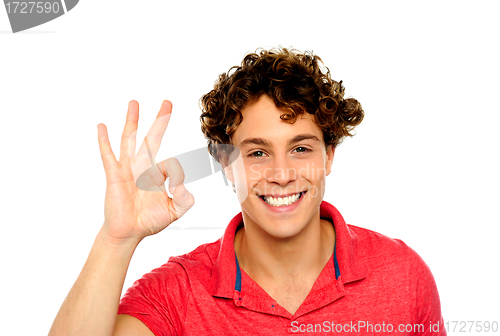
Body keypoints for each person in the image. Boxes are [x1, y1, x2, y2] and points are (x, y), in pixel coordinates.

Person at [48, 47, 446, 335]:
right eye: (257, 152)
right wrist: (117, 239)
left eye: (301, 148)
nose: (281, 174)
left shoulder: (403, 274)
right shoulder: (177, 293)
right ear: (226, 165)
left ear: (328, 157)